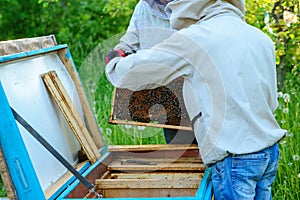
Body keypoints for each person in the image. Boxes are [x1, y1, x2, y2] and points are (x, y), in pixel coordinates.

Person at [105, 0, 286, 199]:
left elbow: (137, 71)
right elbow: (271, 103)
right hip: (268, 152)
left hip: (234, 158)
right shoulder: (260, 38)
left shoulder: (194, 39)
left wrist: (114, 63)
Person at [105, 0, 197, 144]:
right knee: (182, 158)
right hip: (172, 107)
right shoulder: (143, 8)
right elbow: (131, 41)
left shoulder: (200, 5)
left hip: (205, 104)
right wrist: (119, 52)